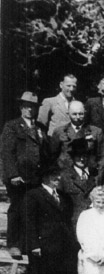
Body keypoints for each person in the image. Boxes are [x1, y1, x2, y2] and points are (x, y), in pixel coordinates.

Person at [24, 165, 81, 274]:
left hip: (62, 247)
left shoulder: (63, 197)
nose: (58, 179)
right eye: (54, 176)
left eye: (58, 176)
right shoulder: (33, 195)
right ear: (45, 178)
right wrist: (34, 244)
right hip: (42, 247)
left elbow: (67, 221)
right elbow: (29, 222)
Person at [1, 91, 51, 259]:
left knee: (31, 210)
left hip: (36, 177)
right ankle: (14, 244)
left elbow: (44, 152)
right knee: (16, 208)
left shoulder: (40, 128)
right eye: (27, 106)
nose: (30, 110)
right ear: (21, 107)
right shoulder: (12, 126)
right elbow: (7, 153)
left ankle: (29, 244)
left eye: (33, 107)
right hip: (19, 177)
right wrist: (13, 175)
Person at [51, 100, 104, 180]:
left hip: (89, 176)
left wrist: (98, 178)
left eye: (80, 114)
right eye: (74, 114)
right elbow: (53, 156)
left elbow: (102, 157)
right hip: (66, 176)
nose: (77, 117)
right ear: (68, 113)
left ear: (85, 113)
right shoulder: (59, 132)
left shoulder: (96, 132)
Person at [59, 138, 97, 228]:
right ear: (72, 157)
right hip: (73, 224)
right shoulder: (64, 176)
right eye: (78, 156)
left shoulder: (96, 174)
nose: (82, 159)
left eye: (85, 155)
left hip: (94, 223)